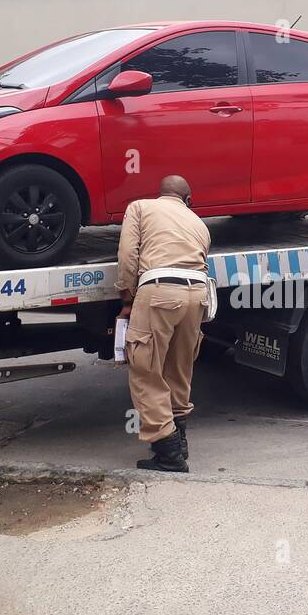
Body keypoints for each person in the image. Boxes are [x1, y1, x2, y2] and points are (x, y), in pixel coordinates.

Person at [116, 175, 212, 472]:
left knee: (145, 369)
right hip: (197, 294)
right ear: (188, 199)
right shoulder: (199, 223)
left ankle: (168, 451)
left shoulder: (141, 207)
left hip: (158, 290)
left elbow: (128, 255)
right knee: (179, 368)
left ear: (161, 193)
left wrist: (127, 297)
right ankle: (180, 438)